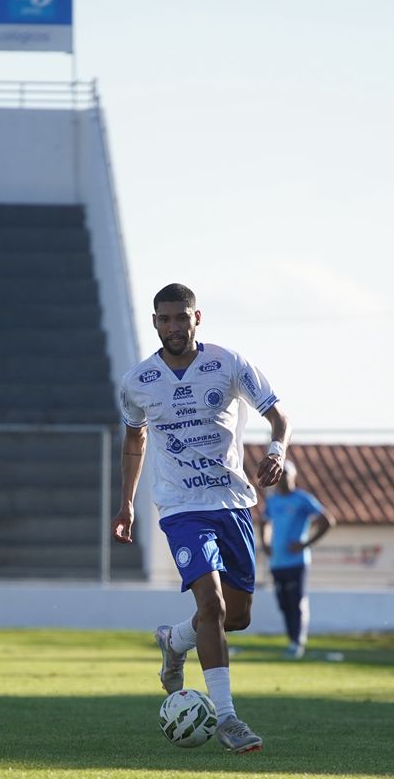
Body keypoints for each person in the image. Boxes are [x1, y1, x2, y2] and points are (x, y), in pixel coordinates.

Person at [112, 282, 290, 754]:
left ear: (197, 318)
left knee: (237, 616)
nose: (173, 326)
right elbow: (135, 441)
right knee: (210, 603)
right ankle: (228, 718)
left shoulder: (228, 363)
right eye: (164, 319)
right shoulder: (137, 382)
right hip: (179, 507)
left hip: (232, 502)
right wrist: (127, 501)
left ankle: (175, 640)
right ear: (155, 322)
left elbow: (279, 418)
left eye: (180, 317)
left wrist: (276, 452)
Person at [258, 459, 332, 659]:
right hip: (277, 562)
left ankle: (297, 642)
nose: (281, 478)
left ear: (293, 476)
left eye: (285, 474)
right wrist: (265, 543)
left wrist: (305, 543)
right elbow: (264, 522)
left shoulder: (302, 499)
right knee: (283, 603)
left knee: (296, 601)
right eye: (279, 474)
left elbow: (326, 521)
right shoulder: (272, 501)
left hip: (297, 562)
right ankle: (292, 639)